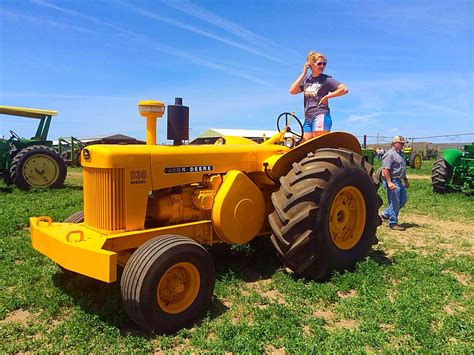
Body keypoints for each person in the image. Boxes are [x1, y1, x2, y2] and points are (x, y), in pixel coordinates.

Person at [289, 50, 348, 141]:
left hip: (320, 114)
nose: (322, 66)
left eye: (324, 64)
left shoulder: (326, 79)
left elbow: (344, 89)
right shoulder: (306, 80)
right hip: (308, 117)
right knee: (303, 145)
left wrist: (327, 97)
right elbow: (292, 91)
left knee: (318, 144)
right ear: (311, 65)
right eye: (319, 64)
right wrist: (303, 73)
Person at [380, 136, 410, 231]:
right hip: (392, 181)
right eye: (401, 143)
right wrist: (389, 182)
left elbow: (401, 169)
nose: (402, 145)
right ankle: (392, 223)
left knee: (403, 200)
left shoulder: (399, 154)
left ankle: (386, 214)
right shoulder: (390, 154)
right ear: (394, 143)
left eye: (403, 143)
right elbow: (385, 169)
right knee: (395, 202)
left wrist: (405, 180)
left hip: (399, 181)